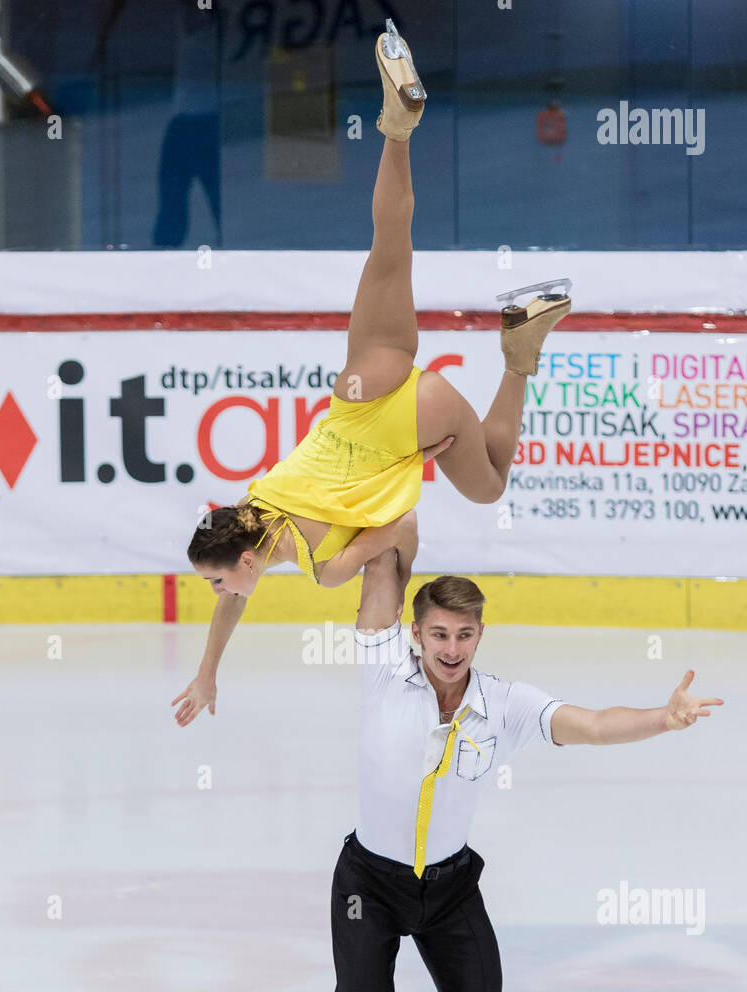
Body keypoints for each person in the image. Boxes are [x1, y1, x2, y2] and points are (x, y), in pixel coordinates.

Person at [302, 549, 723, 992]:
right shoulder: (382, 668)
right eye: (439, 634)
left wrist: (662, 717)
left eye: (464, 635)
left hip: (450, 888)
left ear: (479, 636)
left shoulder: (503, 704)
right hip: (369, 887)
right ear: (416, 633)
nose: (451, 648)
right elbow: (386, 559)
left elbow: (588, 723)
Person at [173, 20, 571, 727]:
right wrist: (205, 673)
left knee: (489, 486)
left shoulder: (321, 564)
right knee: (392, 243)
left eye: (215, 580)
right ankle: (396, 127)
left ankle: (519, 347)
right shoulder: (257, 500)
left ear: (242, 561)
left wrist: (415, 457)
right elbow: (238, 590)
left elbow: (398, 526)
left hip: (421, 417)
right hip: (362, 385)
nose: (218, 592)